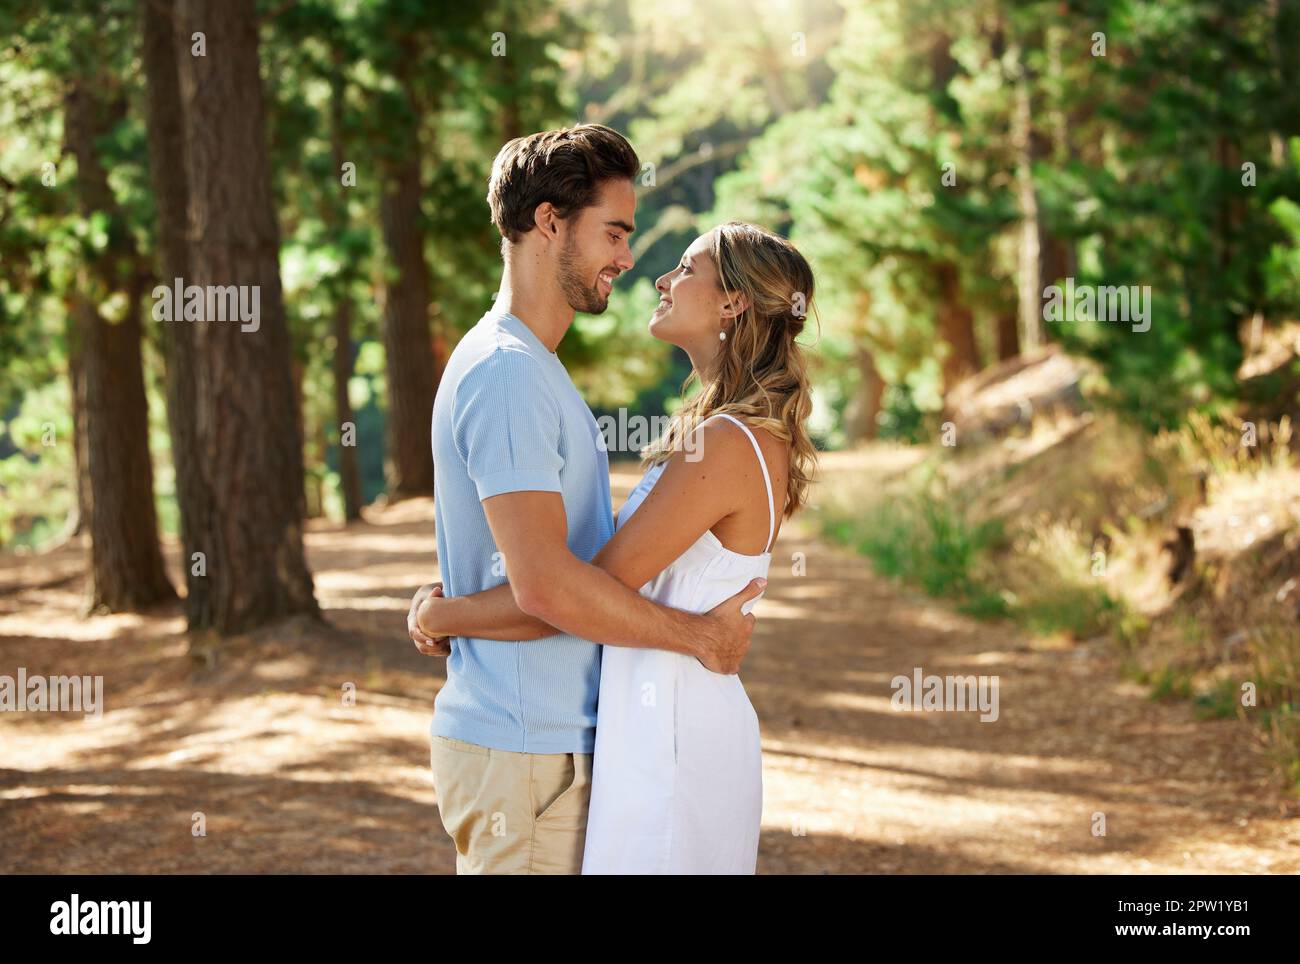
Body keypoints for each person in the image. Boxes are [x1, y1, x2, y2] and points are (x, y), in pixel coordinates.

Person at [405, 125, 766, 875]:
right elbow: (547, 587)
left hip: (549, 749)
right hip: (528, 751)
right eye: (615, 232)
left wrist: (447, 613)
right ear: (548, 222)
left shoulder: (532, 368)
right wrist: (697, 637)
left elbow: (551, 569)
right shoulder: (509, 374)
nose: (628, 260)